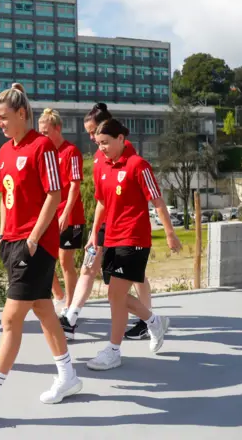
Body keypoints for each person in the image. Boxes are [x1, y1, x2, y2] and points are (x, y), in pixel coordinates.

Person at [0, 83, 82, 422]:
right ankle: (68, 376)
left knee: (10, 319)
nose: (0, 124)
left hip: (35, 245)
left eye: (4, 117)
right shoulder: (5, 151)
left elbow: (55, 194)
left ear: (22, 114)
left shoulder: (42, 148)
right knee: (43, 309)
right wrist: (4, 236)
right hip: (12, 242)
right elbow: (8, 198)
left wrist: (34, 238)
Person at [86, 118, 182, 370]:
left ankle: (113, 350)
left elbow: (158, 201)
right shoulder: (102, 167)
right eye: (99, 144)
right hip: (112, 238)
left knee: (116, 295)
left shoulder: (138, 165)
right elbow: (102, 202)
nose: (102, 148)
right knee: (113, 295)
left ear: (121, 139)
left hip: (135, 238)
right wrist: (94, 234)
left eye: (106, 143)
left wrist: (170, 233)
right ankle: (154, 321)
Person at [59, 103, 154, 341]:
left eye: (94, 132)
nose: (92, 138)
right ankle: (71, 316)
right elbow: (101, 197)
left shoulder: (127, 153)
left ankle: (146, 320)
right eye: (89, 134)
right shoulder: (100, 156)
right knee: (89, 265)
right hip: (104, 223)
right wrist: (94, 231)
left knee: (136, 276)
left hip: (126, 228)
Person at [38, 108, 85, 316]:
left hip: (70, 215)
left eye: (46, 132)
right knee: (43, 257)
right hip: (50, 214)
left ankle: (71, 307)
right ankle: (59, 296)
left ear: (58, 128)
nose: (43, 137)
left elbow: (75, 186)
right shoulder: (45, 154)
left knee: (65, 261)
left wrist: (65, 213)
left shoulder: (71, 151)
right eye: (41, 133)